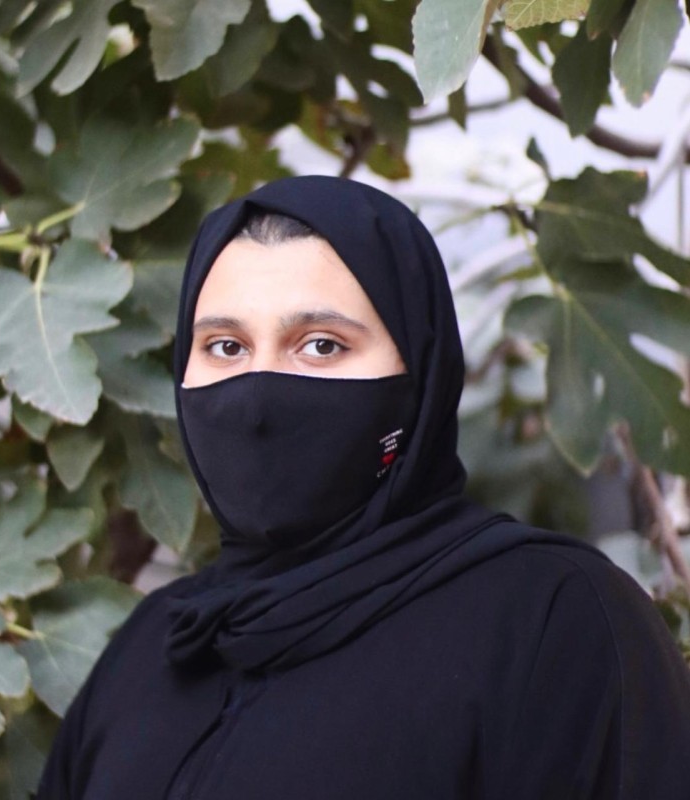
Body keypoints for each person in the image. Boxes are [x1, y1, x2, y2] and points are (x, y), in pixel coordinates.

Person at [38, 175, 690, 799]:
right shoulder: (154, 643)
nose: (257, 400)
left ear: (420, 374)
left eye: (321, 345)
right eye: (226, 347)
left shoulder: (551, 621)